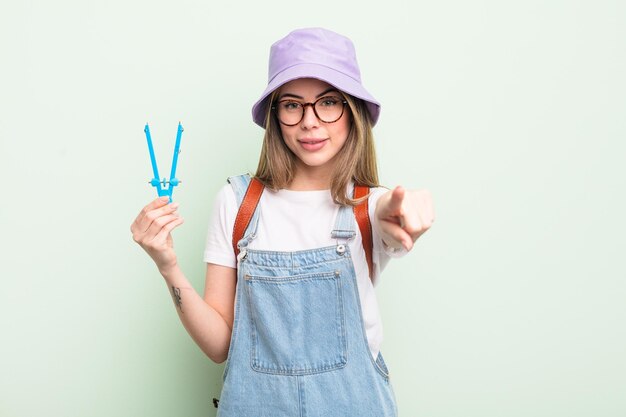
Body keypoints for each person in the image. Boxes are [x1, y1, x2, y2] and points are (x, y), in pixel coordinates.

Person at [131, 27, 434, 417]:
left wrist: (406, 211)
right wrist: (167, 266)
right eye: (292, 104)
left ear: (352, 110)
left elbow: (391, 216)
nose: (309, 121)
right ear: (276, 115)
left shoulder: (370, 207)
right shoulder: (237, 204)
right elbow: (219, 346)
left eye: (328, 102)